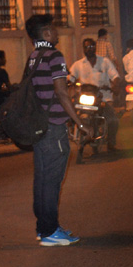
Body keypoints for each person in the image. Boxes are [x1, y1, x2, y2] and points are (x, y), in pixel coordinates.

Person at [24, 14, 91, 247]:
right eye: (53, 29)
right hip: (53, 128)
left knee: (42, 179)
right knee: (52, 181)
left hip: (39, 127)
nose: (57, 32)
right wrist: (80, 123)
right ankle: (51, 231)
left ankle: (44, 228)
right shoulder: (54, 56)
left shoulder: (33, 57)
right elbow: (62, 93)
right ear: (45, 34)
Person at [68, 38, 121, 152]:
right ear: (83, 49)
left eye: (91, 46)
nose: (89, 49)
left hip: (103, 98)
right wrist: (68, 82)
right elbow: (71, 77)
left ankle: (111, 143)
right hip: (85, 99)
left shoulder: (105, 62)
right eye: (86, 47)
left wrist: (115, 84)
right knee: (70, 112)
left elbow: (115, 76)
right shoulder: (78, 64)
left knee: (113, 120)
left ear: (95, 48)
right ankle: (74, 132)